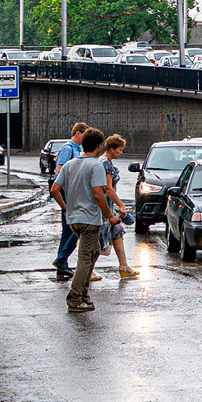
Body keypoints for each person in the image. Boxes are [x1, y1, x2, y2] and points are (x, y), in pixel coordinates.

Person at [50, 129, 121, 312]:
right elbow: (98, 194)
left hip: (73, 219)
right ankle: (75, 299)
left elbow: (54, 189)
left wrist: (65, 207)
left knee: (94, 251)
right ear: (99, 146)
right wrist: (110, 216)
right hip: (89, 219)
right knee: (85, 259)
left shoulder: (70, 164)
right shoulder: (96, 166)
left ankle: (83, 295)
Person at [98, 134, 139, 280]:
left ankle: (124, 266)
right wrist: (121, 206)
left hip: (107, 207)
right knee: (101, 244)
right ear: (111, 149)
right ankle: (86, 270)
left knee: (117, 230)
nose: (121, 153)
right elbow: (108, 188)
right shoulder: (105, 163)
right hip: (102, 208)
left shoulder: (105, 161)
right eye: (119, 149)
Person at [52, 122, 88, 281]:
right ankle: (61, 259)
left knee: (68, 231)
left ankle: (61, 266)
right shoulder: (67, 149)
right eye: (84, 135)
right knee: (78, 228)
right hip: (69, 194)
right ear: (78, 133)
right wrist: (69, 193)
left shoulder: (77, 149)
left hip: (72, 193)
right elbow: (60, 172)